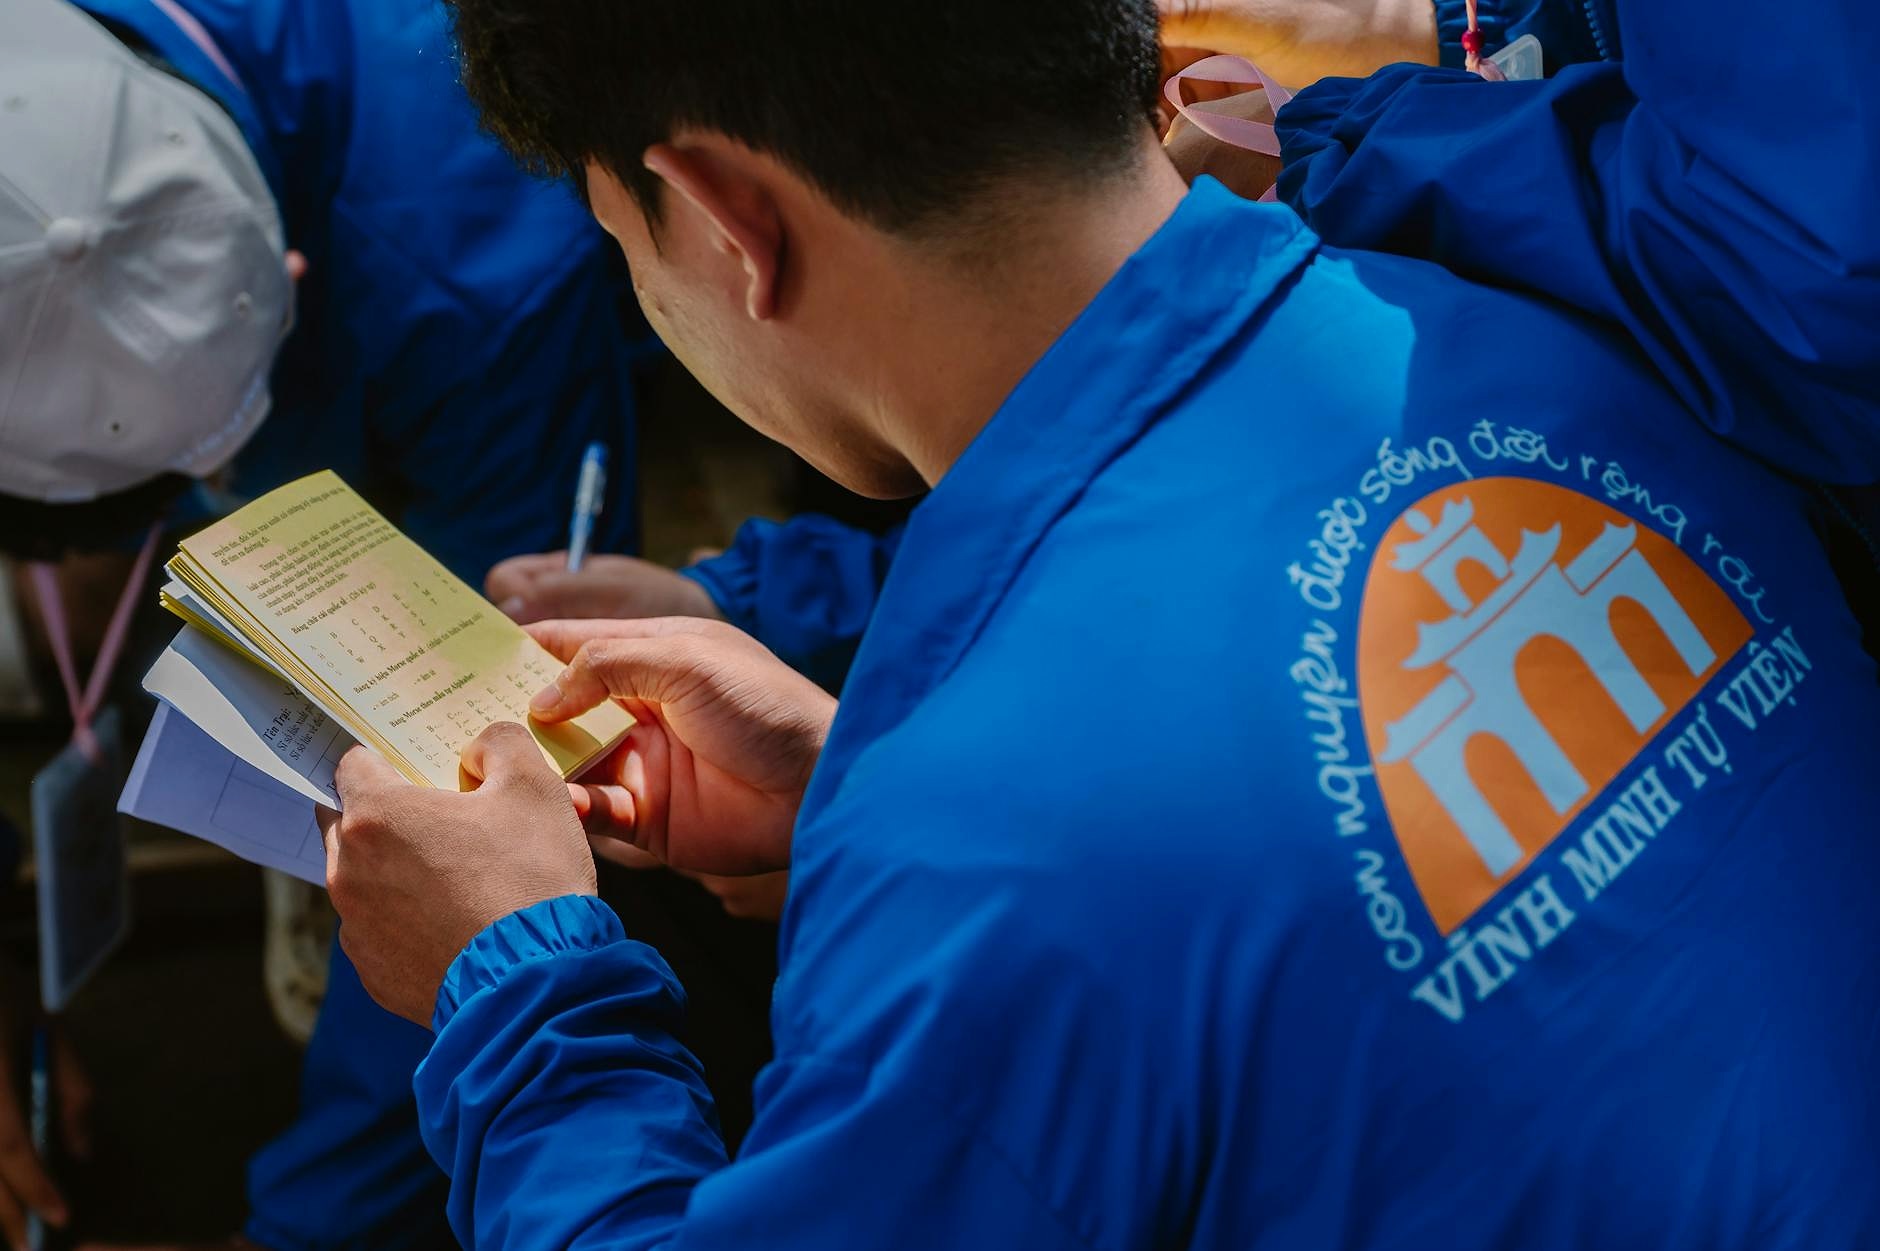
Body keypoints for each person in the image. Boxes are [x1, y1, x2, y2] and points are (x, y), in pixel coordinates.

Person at [314, 1, 1880, 1248]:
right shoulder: (1551, 326)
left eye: (618, 241)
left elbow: (1096, 884)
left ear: (724, 219)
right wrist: (866, 770)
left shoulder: (990, 847)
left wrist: (512, 983)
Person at [0, 0, 651, 1246]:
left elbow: (479, 790)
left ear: (288, 274)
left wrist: (304, 1228)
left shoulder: (478, 264)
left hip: (465, 371)